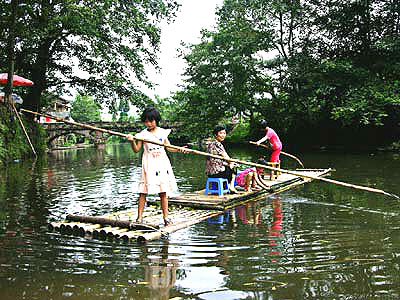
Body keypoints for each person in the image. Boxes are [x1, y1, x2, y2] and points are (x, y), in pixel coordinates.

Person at [126, 107, 186, 226]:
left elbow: (168, 147)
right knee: (143, 191)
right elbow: (137, 150)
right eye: (146, 121)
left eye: (151, 121)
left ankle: (166, 218)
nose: (148, 124)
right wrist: (132, 141)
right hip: (149, 163)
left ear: (156, 120)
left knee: (163, 191)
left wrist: (179, 149)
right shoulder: (142, 134)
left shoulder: (162, 132)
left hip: (162, 162)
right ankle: (139, 218)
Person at [205, 125, 238, 193]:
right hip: (217, 173)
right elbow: (226, 157)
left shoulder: (209, 144)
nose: (223, 135)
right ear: (215, 135)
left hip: (209, 173)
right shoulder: (218, 144)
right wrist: (231, 163)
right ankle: (231, 186)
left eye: (224, 133)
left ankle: (227, 186)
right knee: (234, 168)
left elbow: (216, 161)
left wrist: (229, 163)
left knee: (229, 166)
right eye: (221, 133)